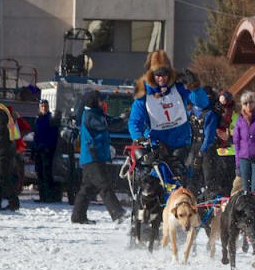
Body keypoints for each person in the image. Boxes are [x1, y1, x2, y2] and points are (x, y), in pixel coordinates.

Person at [128, 50, 208, 179]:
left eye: (164, 74)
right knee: (155, 179)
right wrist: (138, 138)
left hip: (179, 142)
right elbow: (135, 121)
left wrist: (195, 87)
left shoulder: (179, 88)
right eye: (157, 75)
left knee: (178, 176)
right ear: (151, 75)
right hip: (156, 144)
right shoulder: (144, 95)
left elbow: (202, 103)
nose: (161, 78)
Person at [72, 90, 126, 224]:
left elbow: (110, 121)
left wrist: (123, 119)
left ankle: (78, 216)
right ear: (94, 102)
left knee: (87, 188)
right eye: (101, 100)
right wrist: (122, 119)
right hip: (92, 157)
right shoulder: (90, 115)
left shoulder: (96, 113)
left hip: (95, 157)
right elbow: (105, 124)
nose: (103, 103)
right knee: (104, 185)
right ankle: (117, 213)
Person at [187, 91, 219, 198]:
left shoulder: (209, 114)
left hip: (206, 149)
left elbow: (209, 136)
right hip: (192, 147)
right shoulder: (190, 113)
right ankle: (191, 197)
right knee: (191, 177)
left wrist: (202, 151)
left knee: (209, 176)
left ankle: (211, 197)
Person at [33, 99, 59, 202]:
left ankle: (48, 196)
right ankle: (42, 196)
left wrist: (48, 147)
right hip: (38, 149)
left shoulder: (50, 118)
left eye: (45, 106)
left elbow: (53, 135)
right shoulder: (38, 118)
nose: (43, 108)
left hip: (47, 149)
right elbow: (36, 134)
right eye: (42, 106)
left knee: (46, 173)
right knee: (39, 173)